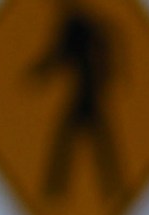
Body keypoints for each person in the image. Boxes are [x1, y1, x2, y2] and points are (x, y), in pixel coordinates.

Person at [30, 0, 121, 201]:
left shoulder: (76, 25)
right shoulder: (78, 23)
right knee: (92, 138)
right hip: (88, 89)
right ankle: (111, 186)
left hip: (86, 90)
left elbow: (59, 55)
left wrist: (39, 73)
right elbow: (60, 55)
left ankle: (55, 189)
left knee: (69, 137)